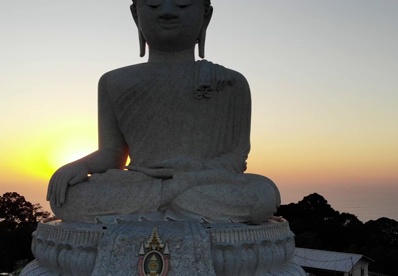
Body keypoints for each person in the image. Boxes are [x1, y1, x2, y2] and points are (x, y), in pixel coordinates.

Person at [46, 0, 280, 225]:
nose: (167, 11)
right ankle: (175, 206)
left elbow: (235, 158)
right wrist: (81, 166)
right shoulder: (113, 81)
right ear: (135, 14)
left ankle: (162, 205)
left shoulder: (230, 82)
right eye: (154, 4)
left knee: (262, 194)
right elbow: (113, 153)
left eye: (183, 4)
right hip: (143, 182)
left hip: (201, 181)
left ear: (205, 16)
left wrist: (187, 176)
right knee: (68, 197)